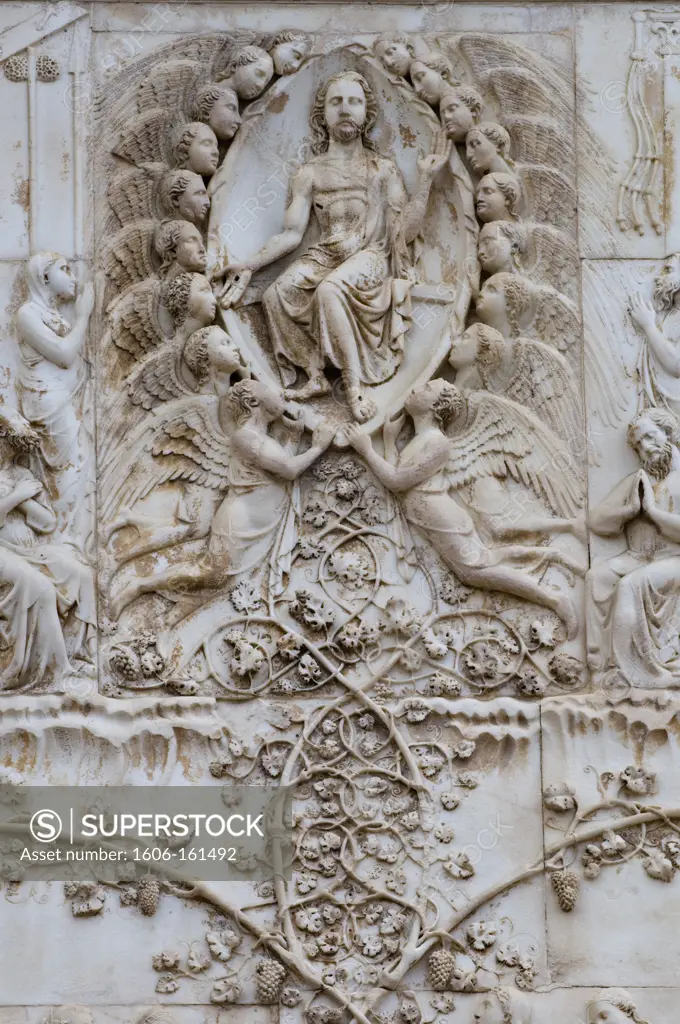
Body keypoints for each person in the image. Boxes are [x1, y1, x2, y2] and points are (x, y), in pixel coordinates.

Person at [217, 71, 449, 422]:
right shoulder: (309, 173)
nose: (345, 110)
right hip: (327, 253)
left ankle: (353, 391)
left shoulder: (382, 169)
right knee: (276, 294)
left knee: (329, 290)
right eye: (336, 102)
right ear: (322, 115)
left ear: (366, 113)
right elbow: (292, 234)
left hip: (371, 255)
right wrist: (249, 265)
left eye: (354, 102)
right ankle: (315, 375)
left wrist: (427, 180)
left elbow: (405, 231)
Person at [0, 411, 96, 690]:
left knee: (81, 574)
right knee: (39, 587)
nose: (9, 453)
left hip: (27, 550)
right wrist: (17, 496)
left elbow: (48, 522)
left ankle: (82, 654)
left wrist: (24, 501)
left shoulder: (22, 474)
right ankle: (55, 670)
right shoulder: (21, 484)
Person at [587, 407, 680, 685]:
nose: (645, 449)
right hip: (638, 556)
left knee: (630, 585)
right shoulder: (639, 480)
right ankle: (600, 667)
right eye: (639, 445)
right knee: (596, 578)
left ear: (669, 433)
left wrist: (652, 513)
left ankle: (637, 674)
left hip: (674, 558)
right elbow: (597, 522)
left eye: (650, 438)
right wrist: (628, 511)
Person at [15, 252, 94, 539]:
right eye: (65, 270)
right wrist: (84, 315)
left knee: (77, 468)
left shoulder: (53, 316)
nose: (73, 278)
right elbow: (63, 355)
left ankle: (70, 535)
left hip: (65, 402)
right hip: (49, 405)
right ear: (44, 277)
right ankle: (62, 537)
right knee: (68, 472)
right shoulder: (28, 314)